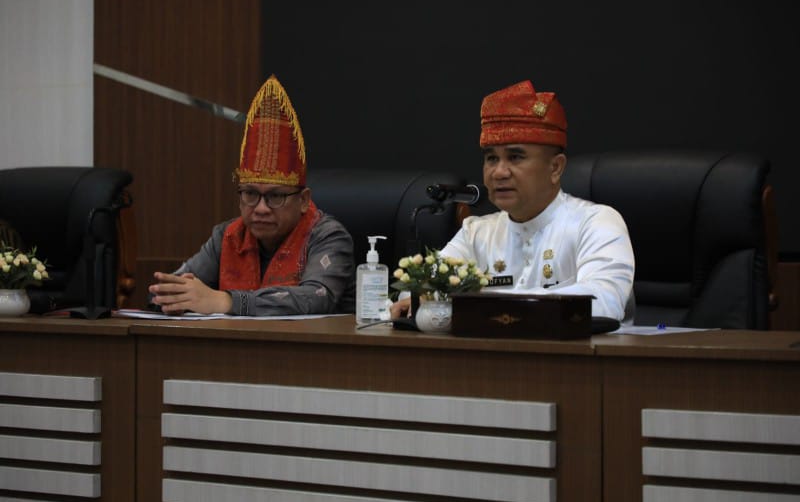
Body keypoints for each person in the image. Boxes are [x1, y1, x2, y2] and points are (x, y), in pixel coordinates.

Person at [392, 79, 634, 322]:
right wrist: (415, 299)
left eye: (515, 157)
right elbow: (415, 292)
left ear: (555, 168)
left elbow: (604, 302)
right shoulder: (476, 233)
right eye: (491, 159)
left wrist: (499, 306)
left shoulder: (596, 223)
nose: (499, 172)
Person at [148, 75, 356, 316]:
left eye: (275, 197)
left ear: (303, 200)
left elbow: (316, 298)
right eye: (250, 194)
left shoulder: (329, 236)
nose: (261, 208)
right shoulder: (227, 237)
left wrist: (227, 302)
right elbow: (163, 293)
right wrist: (170, 297)